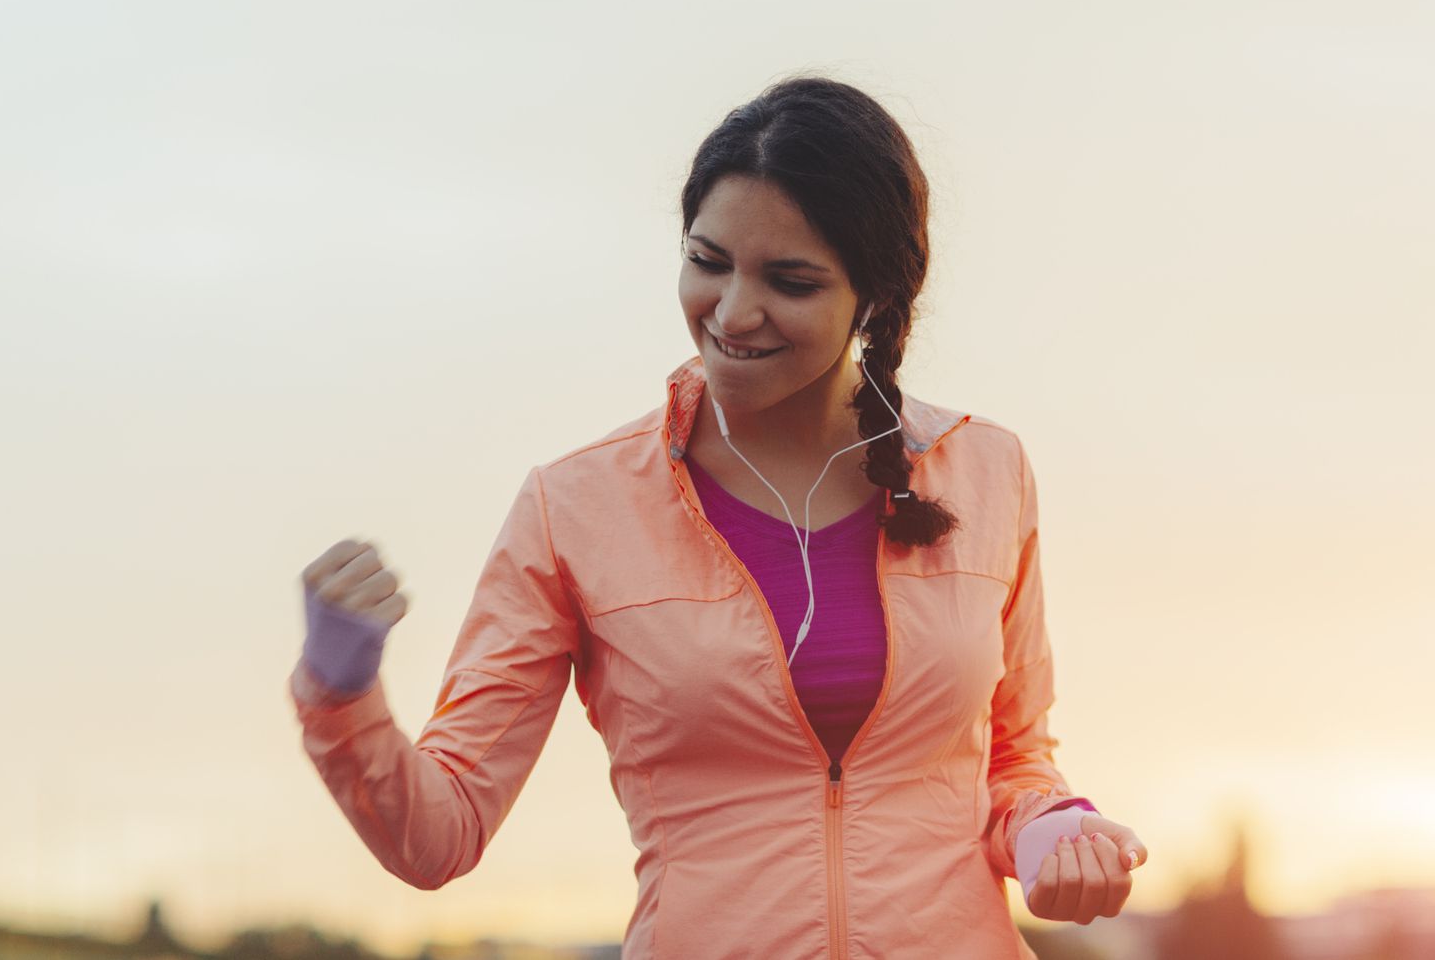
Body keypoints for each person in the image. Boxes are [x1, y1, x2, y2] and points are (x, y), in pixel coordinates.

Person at [289, 75, 1148, 959]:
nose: (732, 314)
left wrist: (1051, 830)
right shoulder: (574, 507)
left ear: (878, 297)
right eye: (707, 263)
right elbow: (438, 836)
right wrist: (341, 692)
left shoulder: (987, 470)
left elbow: (1013, 761)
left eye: (791, 281)